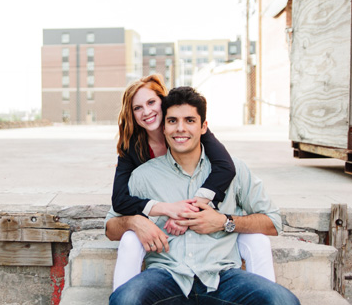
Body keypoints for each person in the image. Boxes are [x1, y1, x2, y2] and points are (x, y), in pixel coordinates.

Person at [106, 87, 298, 304]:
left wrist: (223, 222)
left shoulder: (233, 169)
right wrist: (136, 222)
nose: (180, 129)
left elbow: (273, 222)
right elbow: (111, 227)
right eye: (172, 121)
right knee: (125, 299)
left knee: (283, 301)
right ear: (164, 126)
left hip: (222, 277)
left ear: (203, 126)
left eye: (189, 120)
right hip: (166, 276)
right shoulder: (143, 176)